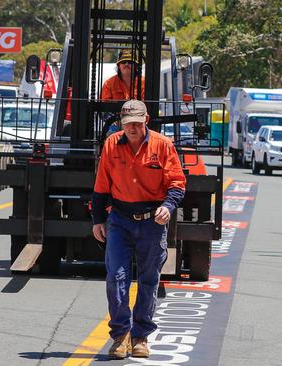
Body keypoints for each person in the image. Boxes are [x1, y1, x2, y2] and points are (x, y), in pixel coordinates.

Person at [91, 99, 186, 359]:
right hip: (120, 220)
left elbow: (177, 183)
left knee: (148, 279)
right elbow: (101, 186)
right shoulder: (112, 144)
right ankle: (121, 335)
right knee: (116, 277)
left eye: (136, 122)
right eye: (127, 123)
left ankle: (141, 336)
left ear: (146, 120)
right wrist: (98, 220)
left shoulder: (162, 145)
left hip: (153, 220)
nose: (132, 128)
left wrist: (168, 206)